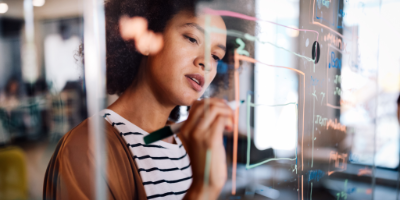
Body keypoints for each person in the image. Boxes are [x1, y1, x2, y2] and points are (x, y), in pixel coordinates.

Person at [43, 0, 233, 199]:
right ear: (147, 38)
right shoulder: (85, 149)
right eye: (192, 39)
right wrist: (203, 190)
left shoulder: (189, 145)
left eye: (216, 55)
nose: (206, 63)